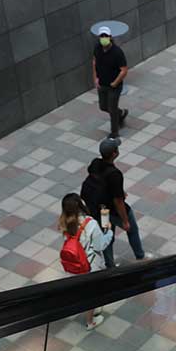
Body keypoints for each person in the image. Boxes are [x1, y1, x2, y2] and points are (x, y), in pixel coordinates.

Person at [87, 138, 150, 267]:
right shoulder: (115, 174)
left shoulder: (95, 163)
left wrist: (119, 191)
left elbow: (103, 185)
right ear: (114, 154)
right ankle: (140, 256)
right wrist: (125, 220)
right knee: (132, 230)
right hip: (114, 211)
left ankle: (110, 265)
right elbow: (118, 201)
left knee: (107, 236)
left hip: (101, 210)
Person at [58, 193, 113, 329]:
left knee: (85, 290)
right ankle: (90, 322)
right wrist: (109, 232)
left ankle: (95, 308)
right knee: (92, 293)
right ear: (80, 205)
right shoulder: (91, 223)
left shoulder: (64, 222)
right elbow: (100, 245)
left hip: (74, 265)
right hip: (90, 265)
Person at [92, 25, 129, 139]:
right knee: (103, 106)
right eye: (102, 36)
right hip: (102, 84)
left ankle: (114, 133)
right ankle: (121, 113)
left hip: (114, 86)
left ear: (110, 37)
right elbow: (94, 62)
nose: (104, 38)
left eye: (106, 36)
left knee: (112, 109)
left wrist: (115, 82)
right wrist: (95, 78)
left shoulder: (117, 52)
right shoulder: (97, 48)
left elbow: (124, 70)